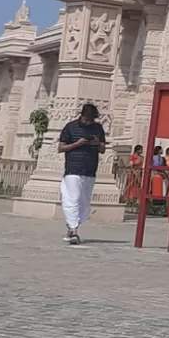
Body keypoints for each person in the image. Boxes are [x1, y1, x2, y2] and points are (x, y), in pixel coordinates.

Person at [57, 100, 107, 245]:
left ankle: (73, 226)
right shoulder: (70, 127)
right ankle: (73, 231)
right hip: (73, 167)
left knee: (84, 202)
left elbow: (103, 149)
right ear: (82, 116)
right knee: (72, 198)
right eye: (86, 119)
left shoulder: (97, 128)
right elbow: (61, 148)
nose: (88, 122)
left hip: (90, 169)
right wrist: (76, 144)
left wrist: (97, 143)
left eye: (90, 120)